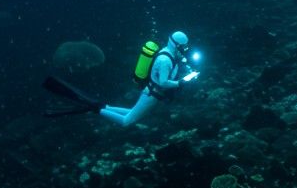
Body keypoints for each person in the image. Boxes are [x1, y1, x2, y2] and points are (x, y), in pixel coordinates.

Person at [43, 30, 199, 127]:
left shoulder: (169, 54)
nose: (184, 49)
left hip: (151, 93)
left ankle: (104, 106)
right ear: (175, 45)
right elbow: (163, 82)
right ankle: (96, 108)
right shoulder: (165, 60)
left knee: (131, 112)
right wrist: (181, 82)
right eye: (182, 46)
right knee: (127, 122)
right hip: (152, 95)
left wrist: (186, 71)